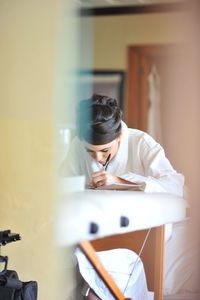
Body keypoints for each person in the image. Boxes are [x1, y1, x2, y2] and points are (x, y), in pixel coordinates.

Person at [60, 94, 184, 300]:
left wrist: (122, 181)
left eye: (104, 151)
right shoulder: (76, 146)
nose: (97, 159)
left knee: (95, 291)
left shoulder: (141, 143)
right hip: (91, 235)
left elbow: (175, 186)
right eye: (89, 151)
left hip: (137, 241)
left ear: (119, 136)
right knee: (65, 277)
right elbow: (62, 185)